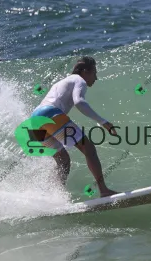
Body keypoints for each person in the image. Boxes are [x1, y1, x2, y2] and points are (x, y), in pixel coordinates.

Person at [29, 56, 119, 197]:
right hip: (49, 114)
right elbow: (79, 102)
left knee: (63, 160)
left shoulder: (64, 81)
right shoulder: (79, 80)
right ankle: (104, 190)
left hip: (34, 121)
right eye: (94, 73)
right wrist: (103, 122)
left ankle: (53, 196)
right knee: (89, 149)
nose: (96, 78)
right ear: (85, 71)